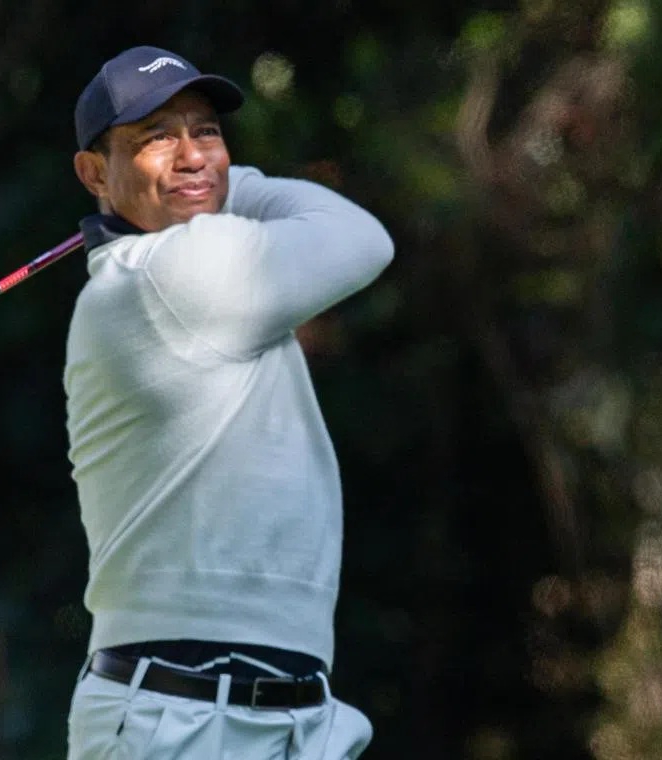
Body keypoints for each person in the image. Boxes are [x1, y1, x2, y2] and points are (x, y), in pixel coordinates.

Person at [62, 45, 394, 759]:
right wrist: (224, 185)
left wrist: (196, 184)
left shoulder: (166, 269)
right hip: (181, 719)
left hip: (287, 714)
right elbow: (363, 239)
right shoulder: (171, 277)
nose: (191, 154)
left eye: (206, 132)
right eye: (156, 137)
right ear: (94, 173)